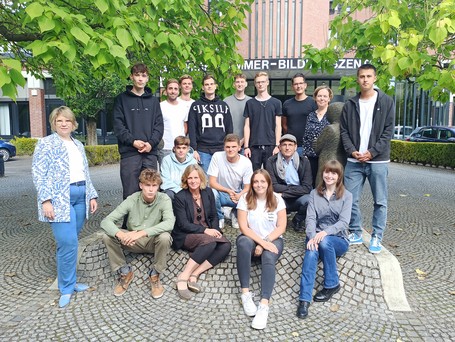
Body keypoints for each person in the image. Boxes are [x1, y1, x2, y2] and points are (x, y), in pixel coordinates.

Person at [32, 106, 98, 308]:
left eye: (67, 121)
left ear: (73, 123)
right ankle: (67, 287)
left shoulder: (78, 144)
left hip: (81, 195)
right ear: (54, 123)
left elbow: (85, 172)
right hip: (59, 199)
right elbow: (38, 173)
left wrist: (92, 195)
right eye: (59, 120)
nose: (63, 124)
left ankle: (68, 281)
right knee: (68, 242)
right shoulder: (45, 144)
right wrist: (46, 200)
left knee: (70, 242)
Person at [340, 63, 395, 254]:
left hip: (377, 161)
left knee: (380, 200)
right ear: (357, 79)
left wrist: (372, 152)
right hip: (354, 161)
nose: (365, 80)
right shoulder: (350, 104)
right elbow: (344, 131)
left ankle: (377, 236)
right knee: (349, 198)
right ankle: (355, 231)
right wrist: (352, 151)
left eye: (368, 76)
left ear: (375, 78)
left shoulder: (386, 102)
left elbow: (388, 132)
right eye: (362, 76)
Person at [101, 169, 175, 299]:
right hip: (131, 242)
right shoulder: (132, 199)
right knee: (107, 236)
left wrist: (141, 233)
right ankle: (125, 271)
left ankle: (155, 273)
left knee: (165, 237)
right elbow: (106, 221)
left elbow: (170, 223)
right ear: (141, 185)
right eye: (147, 185)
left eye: (154, 185)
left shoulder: (164, 199)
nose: (151, 189)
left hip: (153, 241)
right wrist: (121, 235)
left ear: (158, 186)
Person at [296, 160, 352, 319]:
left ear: (339, 176)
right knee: (311, 253)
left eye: (334, 173)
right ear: (323, 173)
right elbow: (311, 218)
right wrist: (313, 236)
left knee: (326, 241)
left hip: (337, 239)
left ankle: (332, 284)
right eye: (327, 172)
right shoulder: (315, 193)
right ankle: (304, 300)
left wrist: (325, 233)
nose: (329, 175)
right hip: (315, 235)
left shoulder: (347, 196)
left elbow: (343, 223)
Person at [236, 169, 287, 330]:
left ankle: (264, 304)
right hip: (251, 238)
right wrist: (261, 243)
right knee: (243, 243)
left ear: (268, 183)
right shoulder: (245, 199)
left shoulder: (277, 199)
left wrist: (265, 243)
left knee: (269, 256)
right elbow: (244, 227)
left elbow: (281, 227)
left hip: (273, 239)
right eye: (256, 181)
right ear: (252, 184)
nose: (259, 185)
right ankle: (245, 293)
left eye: (262, 181)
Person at [172, 164, 231, 300]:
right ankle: (184, 276)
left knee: (226, 245)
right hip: (186, 234)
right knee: (209, 242)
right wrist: (206, 230)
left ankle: (195, 274)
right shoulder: (180, 197)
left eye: (196, 178)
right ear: (185, 179)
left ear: (201, 179)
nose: (193, 181)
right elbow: (183, 224)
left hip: (206, 232)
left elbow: (213, 216)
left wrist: (215, 230)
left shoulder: (208, 192)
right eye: (190, 178)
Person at [113, 63, 164, 200]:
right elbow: (118, 126)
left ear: (147, 79)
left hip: (150, 153)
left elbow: (159, 126)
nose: (140, 79)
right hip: (130, 154)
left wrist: (151, 144)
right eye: (137, 75)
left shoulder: (154, 102)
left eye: (144, 75)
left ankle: (150, 221)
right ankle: (130, 222)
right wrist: (133, 142)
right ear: (131, 77)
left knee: (150, 192)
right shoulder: (121, 100)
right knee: (130, 194)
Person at [265, 134, 312, 232]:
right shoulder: (271, 161)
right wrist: (293, 190)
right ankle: (278, 222)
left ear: (295, 147)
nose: (287, 148)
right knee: (271, 197)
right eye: (284, 145)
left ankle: (298, 220)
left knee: (310, 199)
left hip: (297, 196)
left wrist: (285, 192)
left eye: (290, 145)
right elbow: (273, 186)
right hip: (280, 197)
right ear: (279, 147)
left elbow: (307, 187)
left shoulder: (304, 162)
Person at [188, 74, 233, 172]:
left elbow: (229, 128)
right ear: (203, 87)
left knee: (221, 178)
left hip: (221, 148)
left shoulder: (223, 105)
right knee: (206, 180)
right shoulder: (195, 106)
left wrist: (229, 146)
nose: (209, 86)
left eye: (211, 84)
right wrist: (194, 149)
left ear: (216, 86)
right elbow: (192, 128)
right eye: (206, 84)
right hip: (202, 150)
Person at [208, 134, 253, 229]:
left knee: (250, 196)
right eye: (227, 147)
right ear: (224, 147)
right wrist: (228, 191)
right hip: (220, 193)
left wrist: (239, 194)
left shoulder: (246, 162)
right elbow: (212, 182)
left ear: (239, 148)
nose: (230, 149)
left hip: (237, 193)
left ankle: (235, 214)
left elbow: (248, 187)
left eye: (233, 147)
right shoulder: (217, 156)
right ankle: (219, 218)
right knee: (211, 192)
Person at [243, 72, 282, 170]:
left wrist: (277, 145)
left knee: (271, 176)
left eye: (263, 82)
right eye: (258, 82)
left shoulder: (276, 102)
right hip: (254, 146)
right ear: (255, 84)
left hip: (271, 145)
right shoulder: (250, 103)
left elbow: (278, 126)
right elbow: (247, 126)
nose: (260, 84)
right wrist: (246, 147)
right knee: (253, 175)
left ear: (267, 83)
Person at [302, 85, 333, 187]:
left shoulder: (333, 115)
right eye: (319, 96)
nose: (322, 98)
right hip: (311, 157)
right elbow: (306, 136)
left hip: (327, 156)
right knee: (313, 183)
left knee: (326, 183)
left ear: (329, 98)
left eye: (325, 96)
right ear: (315, 98)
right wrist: (305, 154)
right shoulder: (311, 115)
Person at [282, 73, 317, 156]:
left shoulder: (313, 103)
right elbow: (284, 125)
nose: (298, 86)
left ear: (305, 85)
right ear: (292, 87)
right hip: (291, 146)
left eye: (301, 83)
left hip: (308, 146)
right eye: (296, 84)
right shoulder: (287, 104)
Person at [160, 79, 188, 162]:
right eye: (170, 88)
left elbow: (185, 125)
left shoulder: (184, 107)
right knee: (165, 174)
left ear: (179, 91)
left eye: (175, 89)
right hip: (165, 148)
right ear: (166, 90)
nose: (173, 91)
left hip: (181, 148)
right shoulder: (160, 106)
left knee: (182, 174)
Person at [160, 136, 197, 200]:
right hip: (171, 191)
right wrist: (179, 191)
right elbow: (165, 181)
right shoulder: (166, 160)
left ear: (188, 149)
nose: (181, 151)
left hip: (187, 190)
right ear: (174, 149)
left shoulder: (193, 162)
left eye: (184, 148)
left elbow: (194, 180)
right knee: (167, 195)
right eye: (178, 148)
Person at [224, 74, 252, 147]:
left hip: (246, 144)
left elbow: (254, 124)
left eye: (242, 82)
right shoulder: (226, 101)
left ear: (246, 84)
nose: (240, 84)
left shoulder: (251, 102)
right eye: (237, 82)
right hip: (229, 143)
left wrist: (243, 141)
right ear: (234, 84)